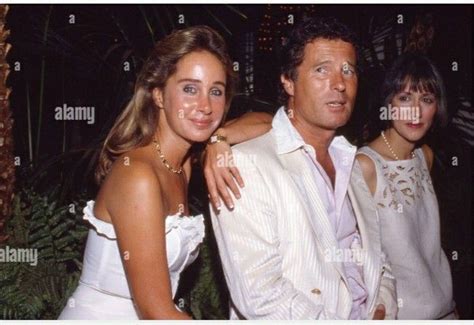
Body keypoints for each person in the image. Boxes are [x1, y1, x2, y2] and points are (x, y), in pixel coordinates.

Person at [206, 17, 397, 320]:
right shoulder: (246, 164)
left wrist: (383, 306)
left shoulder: (353, 163)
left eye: (348, 70)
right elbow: (261, 297)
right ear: (288, 81)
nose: (339, 84)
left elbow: (379, 262)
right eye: (322, 70)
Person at [58, 25, 238, 319]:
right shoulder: (138, 175)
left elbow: (270, 122)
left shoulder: (184, 163)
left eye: (215, 91)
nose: (205, 106)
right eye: (189, 88)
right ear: (157, 95)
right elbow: (156, 312)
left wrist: (221, 138)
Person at [354, 52, 456, 319]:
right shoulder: (365, 166)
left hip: (448, 309)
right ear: (388, 102)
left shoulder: (425, 156)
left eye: (427, 99)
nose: (416, 111)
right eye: (404, 98)